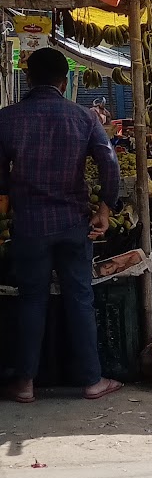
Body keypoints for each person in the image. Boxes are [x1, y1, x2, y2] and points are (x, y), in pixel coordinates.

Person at [0, 46, 121, 402]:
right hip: (72, 222)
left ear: (27, 77)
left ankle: (24, 383)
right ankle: (91, 380)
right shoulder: (83, 117)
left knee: (31, 299)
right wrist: (105, 209)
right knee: (80, 297)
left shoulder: (6, 118)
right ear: (64, 80)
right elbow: (110, 163)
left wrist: (11, 194)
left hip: (29, 225)